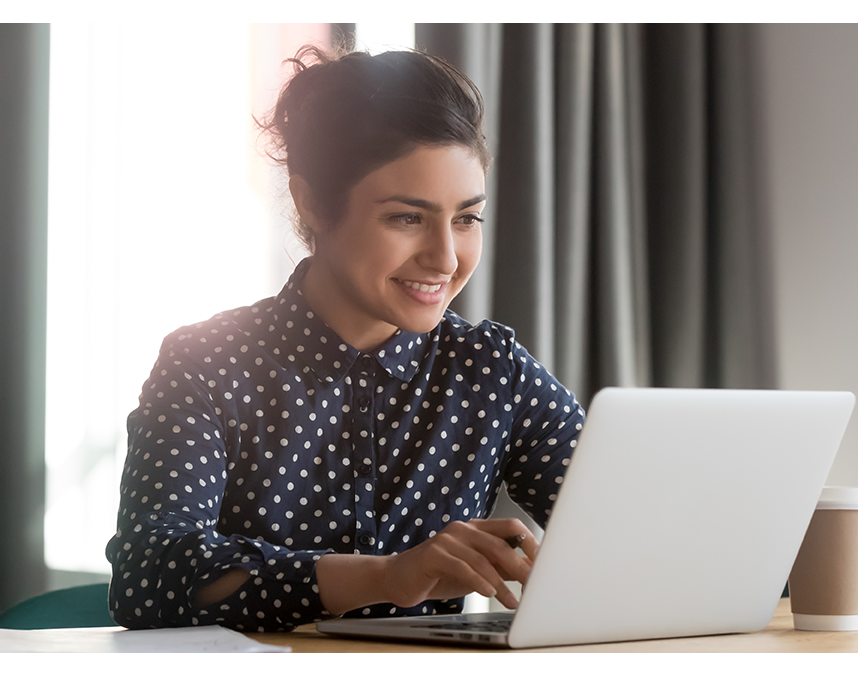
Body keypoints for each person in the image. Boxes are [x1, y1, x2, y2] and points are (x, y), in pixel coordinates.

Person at [105, 45, 585, 632]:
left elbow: (630, 528)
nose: (445, 258)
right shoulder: (206, 362)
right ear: (311, 202)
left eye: (466, 218)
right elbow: (149, 576)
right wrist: (388, 576)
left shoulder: (492, 371)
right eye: (407, 218)